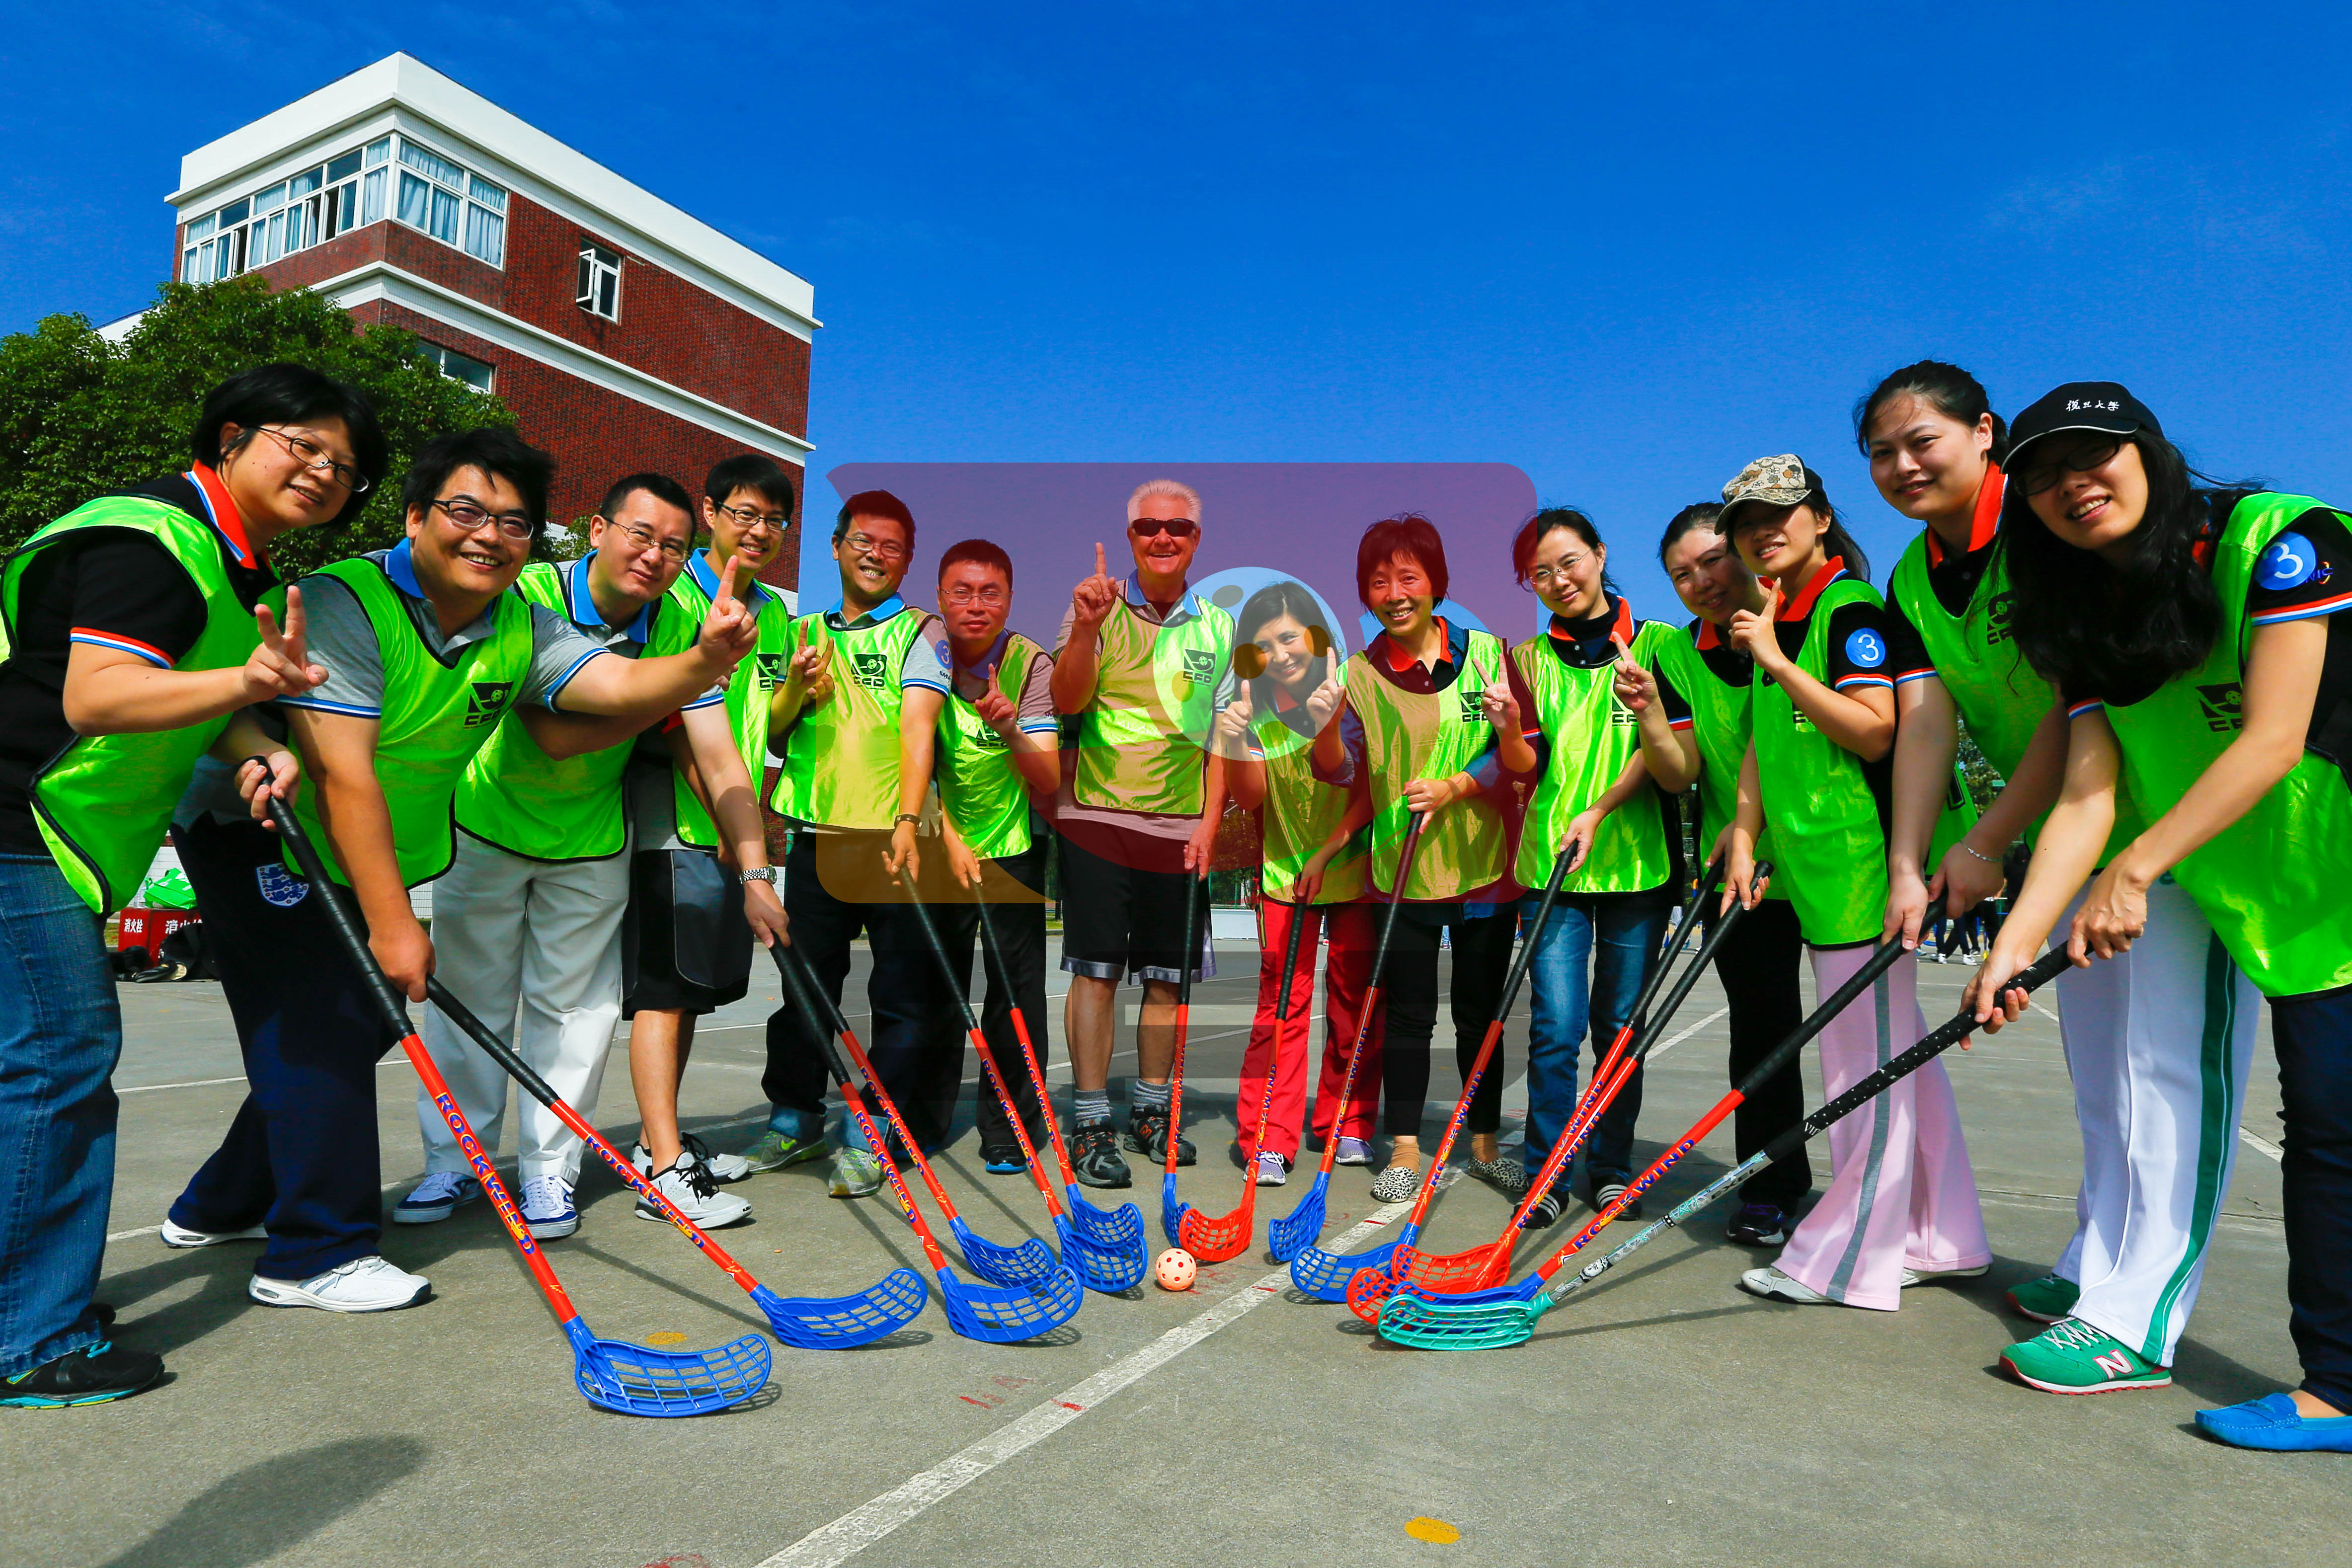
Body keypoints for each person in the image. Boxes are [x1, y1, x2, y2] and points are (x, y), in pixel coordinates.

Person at [160, 427, 761, 1314]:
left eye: (512, 523)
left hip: (369, 846)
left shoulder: (519, 619)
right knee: (327, 1023)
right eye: (465, 512)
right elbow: (343, 774)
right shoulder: (347, 600)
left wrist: (706, 661)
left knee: (352, 1022)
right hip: (261, 826)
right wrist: (395, 922)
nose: (488, 535)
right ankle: (312, 1255)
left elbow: (607, 692)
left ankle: (219, 1203)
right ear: (415, 516)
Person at [1862, 362, 2265, 1393]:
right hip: (2068, 842)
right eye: (1881, 452)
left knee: (2169, 1074)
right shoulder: (1916, 575)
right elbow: (1932, 721)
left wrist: (1988, 840)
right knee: (2104, 1080)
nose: (1904, 465)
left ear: (1983, 433)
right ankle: (2098, 1263)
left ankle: (2137, 1316)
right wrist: (1927, 860)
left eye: (1923, 441)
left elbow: (2069, 721)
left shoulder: (2054, 533)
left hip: (2159, 829)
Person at [1967, 383, 2352, 1439]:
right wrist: (2011, 945)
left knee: (2335, 1129)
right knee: (2327, 1133)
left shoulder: (2280, 543)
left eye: (2095, 457)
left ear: (2151, 452)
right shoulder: (2084, 613)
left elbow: (2274, 739)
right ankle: (2342, 1386)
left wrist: (2135, 871)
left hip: (2336, 866)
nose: (2069, 487)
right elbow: (2087, 795)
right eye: (2042, 479)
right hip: (2274, 893)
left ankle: (2338, 1386)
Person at [0, 364, 384, 1405]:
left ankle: (29, 1298)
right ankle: (30, 1340)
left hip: (51, 834)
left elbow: (198, 691)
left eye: (343, 467)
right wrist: (252, 684)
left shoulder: (220, 563)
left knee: (37, 1070)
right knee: (57, 1068)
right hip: (19, 828)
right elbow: (106, 691)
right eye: (299, 444)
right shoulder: (152, 538)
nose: (321, 471)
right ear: (229, 437)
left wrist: (256, 736)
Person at [394, 472, 785, 1241]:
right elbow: (549, 731)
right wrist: (671, 690)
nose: (655, 557)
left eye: (673, 547)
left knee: (574, 1016)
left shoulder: (678, 625)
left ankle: (549, 1174)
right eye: (641, 535)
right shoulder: (530, 589)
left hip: (590, 843)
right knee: (471, 1002)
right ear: (597, 530)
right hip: (485, 825)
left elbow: (722, 761)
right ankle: (454, 1159)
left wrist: (755, 873)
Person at [1715, 454, 1989, 1311]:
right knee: (1895, 1059)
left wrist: (1774, 657)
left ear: (1820, 519)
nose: (1763, 530)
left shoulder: (1845, 613)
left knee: (1857, 1071)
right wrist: (1742, 832)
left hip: (1861, 869)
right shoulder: (1774, 614)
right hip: (1809, 865)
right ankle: (1943, 1236)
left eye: (1780, 513)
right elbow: (1766, 739)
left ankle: (1848, 1258)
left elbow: (1873, 732)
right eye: (1744, 522)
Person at [1311, 515, 1538, 1202]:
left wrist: (1457, 785)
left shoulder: (1493, 655)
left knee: (1480, 1015)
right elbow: (1338, 772)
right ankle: (1404, 1146)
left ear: (1435, 582)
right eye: (1378, 582)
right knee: (1407, 1017)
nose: (1394, 592)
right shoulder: (1357, 672)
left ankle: (1484, 1142)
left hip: (1484, 874)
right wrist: (1321, 720)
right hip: (1399, 874)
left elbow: (1525, 757)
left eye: (1407, 577)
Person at [762, 489, 957, 1196]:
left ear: (907, 560)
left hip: (894, 841)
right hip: (814, 835)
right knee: (804, 991)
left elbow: (918, 733)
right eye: (863, 541)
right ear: (837, 546)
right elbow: (773, 732)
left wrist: (908, 822)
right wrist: (791, 689)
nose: (876, 554)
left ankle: (873, 1132)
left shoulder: (921, 631)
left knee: (899, 1000)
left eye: (893, 546)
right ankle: (793, 1117)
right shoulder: (799, 628)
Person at [1628, 504, 1811, 1246]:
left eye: (1711, 560)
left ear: (1742, 550)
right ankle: (1770, 1183)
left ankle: (1891, 1197)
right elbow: (1679, 774)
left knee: (1868, 1034)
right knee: (1761, 1030)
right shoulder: (1673, 656)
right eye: (1680, 574)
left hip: (1831, 855)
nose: (1700, 581)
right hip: (1735, 870)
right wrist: (1645, 713)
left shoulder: (1809, 613)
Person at [624, 454, 800, 1206]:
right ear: (709, 512)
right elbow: (668, 725)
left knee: (694, 991)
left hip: (733, 824)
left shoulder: (778, 614)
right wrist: (732, 828)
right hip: (675, 820)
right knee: (663, 991)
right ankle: (662, 1169)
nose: (759, 531)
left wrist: (755, 823)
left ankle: (654, 1141)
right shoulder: (674, 593)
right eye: (744, 514)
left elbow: (762, 726)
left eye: (774, 519)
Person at [1048, 479, 1234, 1187]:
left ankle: (1153, 1112)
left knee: (1166, 982)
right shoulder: (1093, 604)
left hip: (1179, 831)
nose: (1163, 538)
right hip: (1098, 819)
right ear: (1129, 537)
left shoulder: (1217, 627)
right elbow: (1068, 701)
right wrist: (1089, 628)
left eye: (1178, 528)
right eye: (1149, 527)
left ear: (1195, 539)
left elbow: (1223, 740)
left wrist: (1211, 826)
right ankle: (1092, 1118)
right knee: (1096, 976)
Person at [1506, 508, 1684, 1230]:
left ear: (1600, 555)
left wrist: (1603, 810)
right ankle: (1546, 1169)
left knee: (1619, 1029)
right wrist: (1497, 729)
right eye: (1540, 573)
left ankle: (1610, 1166)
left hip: (1638, 871)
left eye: (1569, 562)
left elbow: (1672, 751)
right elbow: (1522, 766)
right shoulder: (1524, 661)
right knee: (1553, 1028)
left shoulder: (1663, 645)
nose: (1558, 581)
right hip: (1550, 870)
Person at [891, 539, 1060, 1172]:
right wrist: (946, 834)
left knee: (1014, 995)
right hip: (937, 843)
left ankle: (1010, 1127)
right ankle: (924, 1121)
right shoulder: (918, 648)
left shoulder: (1031, 665)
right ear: (941, 597)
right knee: (934, 991)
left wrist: (1011, 727)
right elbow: (907, 753)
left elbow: (1045, 781)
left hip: (1012, 852)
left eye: (991, 593)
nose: (975, 605)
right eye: (961, 592)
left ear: (1010, 600)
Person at [1214, 580, 1373, 1185]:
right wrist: (1232, 743)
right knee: (1280, 1007)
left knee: (1354, 1004)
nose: (1280, 652)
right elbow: (1251, 799)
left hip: (1354, 869)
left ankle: (1348, 1124)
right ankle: (1267, 1138)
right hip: (1284, 877)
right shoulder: (1248, 711)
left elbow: (1356, 786)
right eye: (1263, 644)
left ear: (1313, 636)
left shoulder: (1351, 696)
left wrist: (1329, 851)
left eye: (1289, 637)